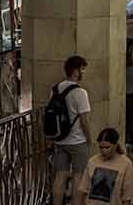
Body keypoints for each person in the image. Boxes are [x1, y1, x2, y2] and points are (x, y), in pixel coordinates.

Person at [51, 55, 94, 205]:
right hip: (77, 142)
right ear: (75, 71)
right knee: (79, 176)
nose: (84, 72)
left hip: (60, 140)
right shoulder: (80, 93)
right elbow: (85, 121)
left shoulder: (56, 88)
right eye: (82, 69)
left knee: (60, 176)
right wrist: (89, 140)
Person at [74, 128, 133, 205]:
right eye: (101, 147)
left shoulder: (126, 164)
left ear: (116, 145)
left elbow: (127, 196)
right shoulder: (92, 161)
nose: (103, 151)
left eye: (107, 147)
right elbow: (83, 189)